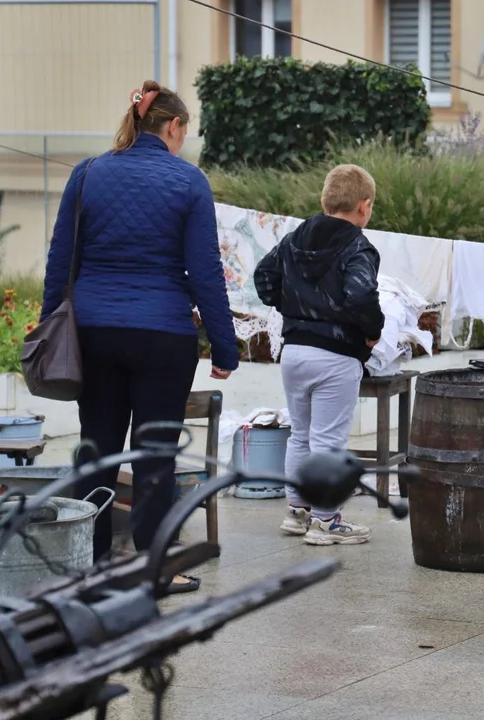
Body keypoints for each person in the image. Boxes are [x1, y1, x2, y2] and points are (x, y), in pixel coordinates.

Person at [41, 80, 239, 593]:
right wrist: (224, 345)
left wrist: (49, 328)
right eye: (183, 133)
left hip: (95, 332)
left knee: (98, 449)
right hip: (162, 335)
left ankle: (92, 569)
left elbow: (61, 260)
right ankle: (151, 572)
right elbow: (205, 271)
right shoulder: (189, 181)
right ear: (172, 126)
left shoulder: (87, 174)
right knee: (155, 456)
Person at [254, 164, 384, 546]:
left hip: (294, 351)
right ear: (365, 206)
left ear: (324, 201)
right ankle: (326, 521)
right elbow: (360, 295)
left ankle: (297, 512)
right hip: (336, 354)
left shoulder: (294, 238)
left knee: (301, 434)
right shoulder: (358, 245)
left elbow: (263, 278)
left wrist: (294, 308)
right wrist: (372, 332)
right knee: (328, 441)